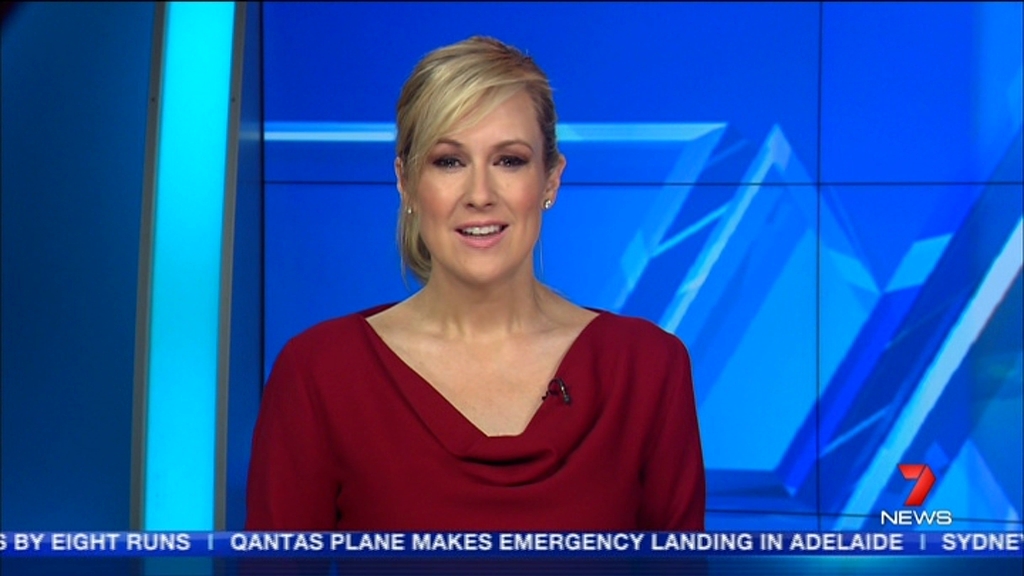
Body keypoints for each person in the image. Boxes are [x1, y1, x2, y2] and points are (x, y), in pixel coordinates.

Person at [245, 36, 704, 531]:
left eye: (509, 160)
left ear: (550, 179)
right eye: (449, 161)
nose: (480, 194)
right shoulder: (321, 373)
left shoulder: (647, 369)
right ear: (406, 182)